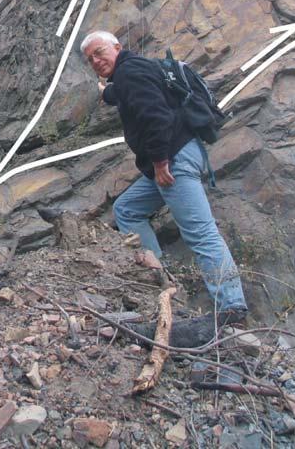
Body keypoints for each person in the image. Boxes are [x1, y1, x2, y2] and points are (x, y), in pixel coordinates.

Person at [80, 30, 248, 319]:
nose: (95, 60)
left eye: (99, 52)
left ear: (117, 47)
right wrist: (105, 92)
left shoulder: (130, 73)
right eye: (90, 59)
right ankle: (159, 280)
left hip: (173, 159)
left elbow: (156, 116)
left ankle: (232, 306)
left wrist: (159, 161)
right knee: (127, 210)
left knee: (201, 234)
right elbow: (121, 93)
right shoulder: (133, 71)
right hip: (178, 155)